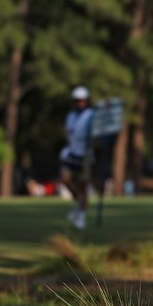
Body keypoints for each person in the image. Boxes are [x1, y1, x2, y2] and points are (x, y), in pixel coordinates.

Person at [59, 86, 95, 230]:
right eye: (77, 101)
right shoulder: (71, 116)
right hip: (71, 152)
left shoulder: (91, 115)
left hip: (85, 154)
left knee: (83, 185)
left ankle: (81, 217)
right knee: (65, 179)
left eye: (82, 100)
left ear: (86, 101)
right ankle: (78, 204)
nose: (80, 103)